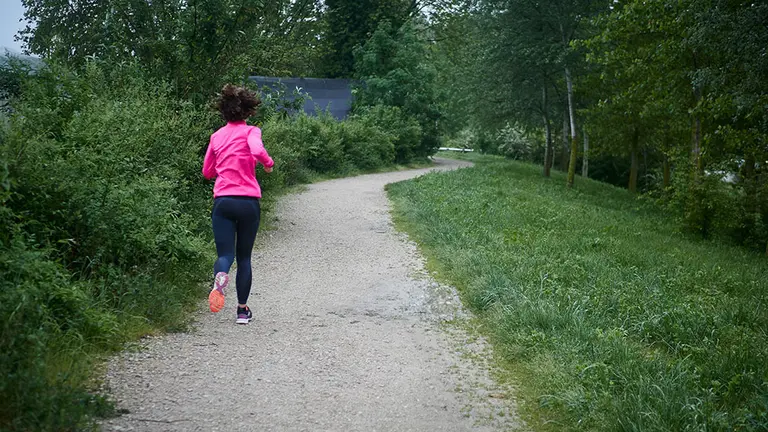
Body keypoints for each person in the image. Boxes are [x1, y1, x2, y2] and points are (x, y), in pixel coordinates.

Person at [202, 84, 274, 325]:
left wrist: (221, 167)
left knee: (225, 254)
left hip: (223, 201)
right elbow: (256, 149)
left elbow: (207, 171)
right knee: (244, 258)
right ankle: (242, 311)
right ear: (247, 111)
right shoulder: (251, 131)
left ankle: (220, 275)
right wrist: (268, 163)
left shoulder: (216, 136)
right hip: (247, 202)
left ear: (224, 112)